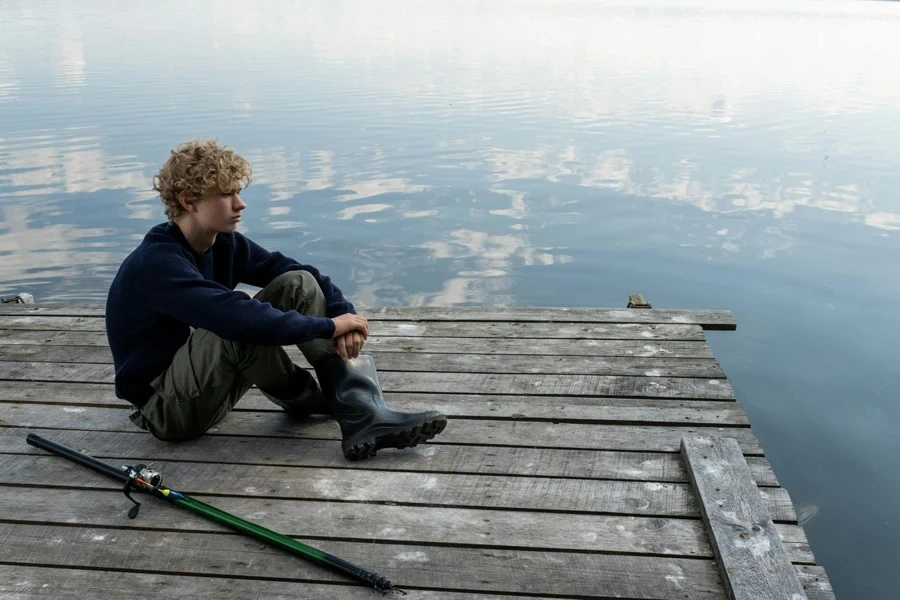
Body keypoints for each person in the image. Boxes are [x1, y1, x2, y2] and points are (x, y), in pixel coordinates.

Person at [105, 139, 446, 460]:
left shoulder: (222, 243)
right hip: (166, 410)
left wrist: (344, 314)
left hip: (196, 387)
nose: (240, 204)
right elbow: (232, 317)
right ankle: (326, 401)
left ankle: (359, 409)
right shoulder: (157, 263)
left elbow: (298, 273)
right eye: (227, 195)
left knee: (297, 283)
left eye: (238, 192)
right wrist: (327, 326)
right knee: (236, 324)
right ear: (188, 201)